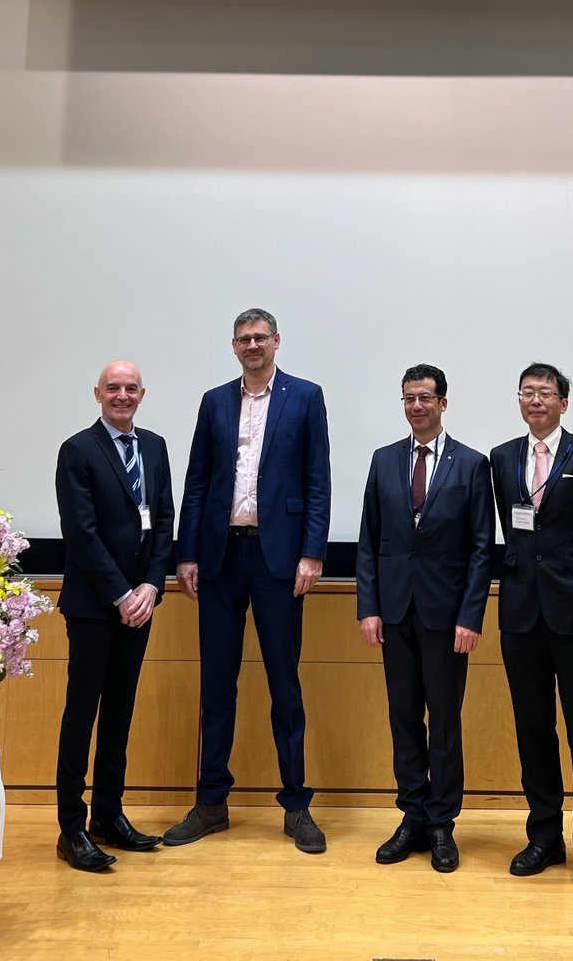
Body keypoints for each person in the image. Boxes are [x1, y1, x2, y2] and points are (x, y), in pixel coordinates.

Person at [165, 309, 331, 853]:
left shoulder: (305, 397)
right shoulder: (214, 401)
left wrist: (312, 553)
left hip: (279, 560)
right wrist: (185, 554)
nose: (252, 345)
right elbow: (196, 482)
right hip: (218, 559)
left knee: (285, 686)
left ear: (277, 341)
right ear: (233, 346)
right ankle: (211, 802)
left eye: (261, 337)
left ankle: (296, 805)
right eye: (244, 339)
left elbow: (316, 480)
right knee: (217, 684)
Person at [356, 364, 493, 872]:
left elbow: (482, 549)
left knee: (445, 723)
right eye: (409, 398)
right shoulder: (384, 460)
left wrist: (470, 616)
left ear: (443, 403)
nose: (417, 406)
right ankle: (411, 814)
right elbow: (370, 541)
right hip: (394, 612)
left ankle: (441, 823)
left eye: (426, 398)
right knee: (403, 718)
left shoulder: (472, 465)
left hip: (446, 616)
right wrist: (368, 607)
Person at [490, 363, 573, 889]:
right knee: (532, 729)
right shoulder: (500, 458)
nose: (536, 400)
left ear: (564, 402)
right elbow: (510, 525)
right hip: (521, 613)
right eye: (528, 392)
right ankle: (544, 835)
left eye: (546, 393)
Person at [55, 360, 175, 871]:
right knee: (82, 714)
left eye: (130, 389)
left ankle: (109, 813)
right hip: (94, 606)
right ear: (97, 393)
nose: (122, 396)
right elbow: (80, 533)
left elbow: (164, 519)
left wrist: (150, 585)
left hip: (140, 604)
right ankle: (70, 828)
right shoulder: (77, 450)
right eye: (113, 388)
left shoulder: (155, 446)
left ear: (142, 394)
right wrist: (121, 594)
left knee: (120, 711)